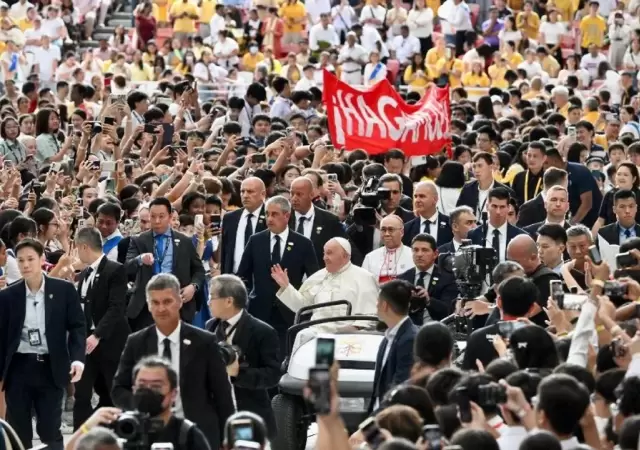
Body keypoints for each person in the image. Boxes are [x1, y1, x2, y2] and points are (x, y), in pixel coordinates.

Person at [111, 273, 235, 449]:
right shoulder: (136, 342)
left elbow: (223, 394)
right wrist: (144, 404)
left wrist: (229, 438)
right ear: (148, 305)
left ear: (180, 301)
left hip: (199, 436)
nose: (161, 308)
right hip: (149, 434)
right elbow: (118, 389)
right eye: (155, 302)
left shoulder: (205, 341)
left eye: (167, 301)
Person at [0, 238, 85, 450]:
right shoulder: (8, 296)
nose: (25, 265)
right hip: (19, 368)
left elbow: (77, 326)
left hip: (51, 366)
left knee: (50, 430)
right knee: (18, 431)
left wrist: (77, 358)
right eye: (20, 261)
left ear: (41, 259)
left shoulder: (64, 290)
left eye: (30, 259)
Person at [236, 195, 319, 351]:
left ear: (286, 216)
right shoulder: (256, 241)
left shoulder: (303, 244)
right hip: (259, 311)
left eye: (274, 214)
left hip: (288, 313)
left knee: (283, 355)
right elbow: (243, 276)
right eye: (267, 214)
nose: (269, 218)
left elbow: (314, 278)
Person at [205, 274, 280, 438]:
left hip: (250, 414)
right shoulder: (210, 326)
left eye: (212, 297)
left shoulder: (263, 331)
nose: (208, 302)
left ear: (229, 301)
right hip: (218, 414)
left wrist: (239, 374)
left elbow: (273, 376)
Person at [72, 227, 130, 429]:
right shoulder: (85, 272)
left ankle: (119, 437)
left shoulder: (115, 270)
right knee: (81, 394)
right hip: (87, 344)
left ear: (84, 246)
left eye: (77, 248)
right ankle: (81, 438)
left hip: (110, 342)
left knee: (113, 393)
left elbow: (117, 308)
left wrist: (97, 335)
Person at [124, 197, 205, 330]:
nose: (157, 221)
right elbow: (126, 267)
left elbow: (199, 270)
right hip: (146, 307)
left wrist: (193, 286)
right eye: (153, 216)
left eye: (161, 216)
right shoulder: (139, 240)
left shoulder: (184, 241)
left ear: (170, 216)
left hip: (178, 304)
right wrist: (140, 259)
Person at [272, 237, 379, 336]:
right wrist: (286, 286)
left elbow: (371, 314)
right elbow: (301, 307)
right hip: (317, 331)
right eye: (324, 253)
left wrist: (355, 327)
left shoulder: (364, 277)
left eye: (329, 253)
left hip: (349, 334)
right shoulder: (319, 277)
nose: (324, 258)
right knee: (302, 335)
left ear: (345, 256)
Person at [462, 276, 538, 370]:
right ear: (532, 307)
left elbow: (466, 378)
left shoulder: (477, 338)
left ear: (498, 302)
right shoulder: (542, 339)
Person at [369, 279, 418, 413]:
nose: (376, 305)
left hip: (393, 418)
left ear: (384, 305)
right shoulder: (388, 337)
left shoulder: (410, 339)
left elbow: (399, 388)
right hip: (381, 414)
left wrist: (370, 425)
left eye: (378, 302)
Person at [397, 233, 457, 323]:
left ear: (435, 254)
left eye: (424, 250)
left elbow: (449, 311)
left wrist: (428, 300)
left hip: (437, 329)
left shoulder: (448, 278)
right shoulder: (402, 278)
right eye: (415, 250)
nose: (419, 254)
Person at [288, 177, 347, 268]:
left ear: (311, 195)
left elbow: (345, 248)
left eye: (299, 194)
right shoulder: (284, 218)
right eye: (292, 194)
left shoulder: (329, 220)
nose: (294, 198)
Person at [220, 177, 267, 275]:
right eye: (242, 191)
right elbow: (225, 251)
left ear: (263, 194)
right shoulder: (230, 218)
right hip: (233, 278)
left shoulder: (270, 217)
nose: (245, 195)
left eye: (250, 192)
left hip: (260, 279)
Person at [467, 187, 527, 262]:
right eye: (494, 206)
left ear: (508, 208)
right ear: (487, 206)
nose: (498, 212)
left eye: (502, 207)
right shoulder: (474, 235)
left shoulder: (520, 236)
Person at [362, 215, 415, 283]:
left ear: (401, 232)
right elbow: (364, 283)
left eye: (391, 230)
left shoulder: (413, 255)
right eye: (383, 230)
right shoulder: (370, 257)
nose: (387, 234)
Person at [402, 181, 454, 247]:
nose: (417, 200)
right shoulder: (407, 228)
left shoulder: (451, 225)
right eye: (415, 196)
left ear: (435, 199)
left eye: (422, 196)